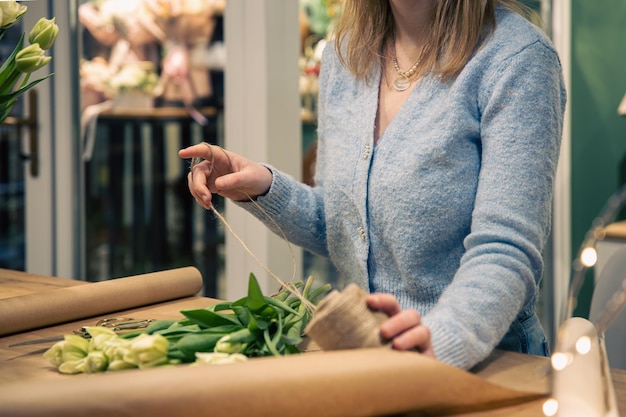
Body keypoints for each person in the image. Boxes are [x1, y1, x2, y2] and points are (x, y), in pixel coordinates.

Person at [179, 0, 566, 370]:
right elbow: (343, 226)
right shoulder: (346, 57)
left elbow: (506, 248)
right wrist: (263, 188)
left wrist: (442, 337)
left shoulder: (517, 58)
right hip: (372, 356)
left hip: (488, 362)